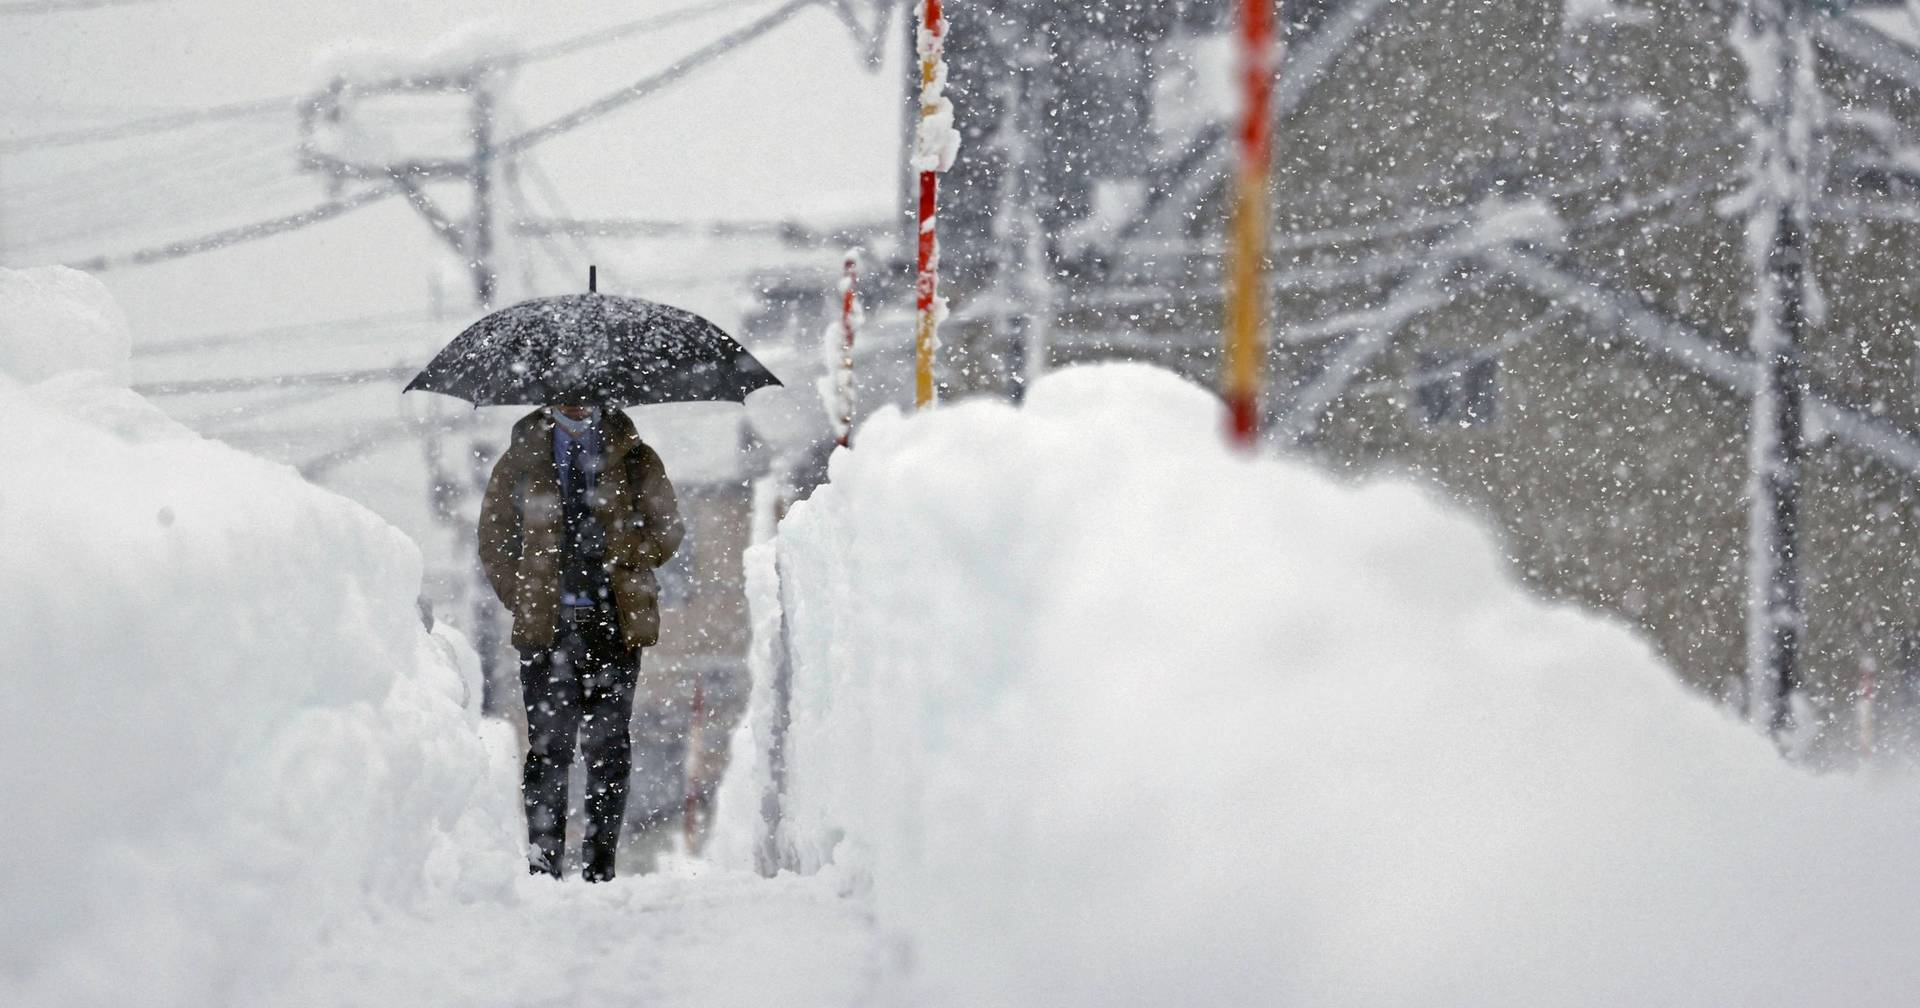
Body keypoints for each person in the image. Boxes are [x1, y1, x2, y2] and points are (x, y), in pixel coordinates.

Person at [478, 402, 684, 881]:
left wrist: (627, 549)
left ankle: (599, 867)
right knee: (549, 749)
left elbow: (668, 531)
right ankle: (544, 864)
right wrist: (525, 594)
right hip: (548, 628)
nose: (576, 398)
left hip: (614, 622)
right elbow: (495, 540)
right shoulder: (521, 460)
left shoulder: (636, 458)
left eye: (586, 388)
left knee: (609, 748)